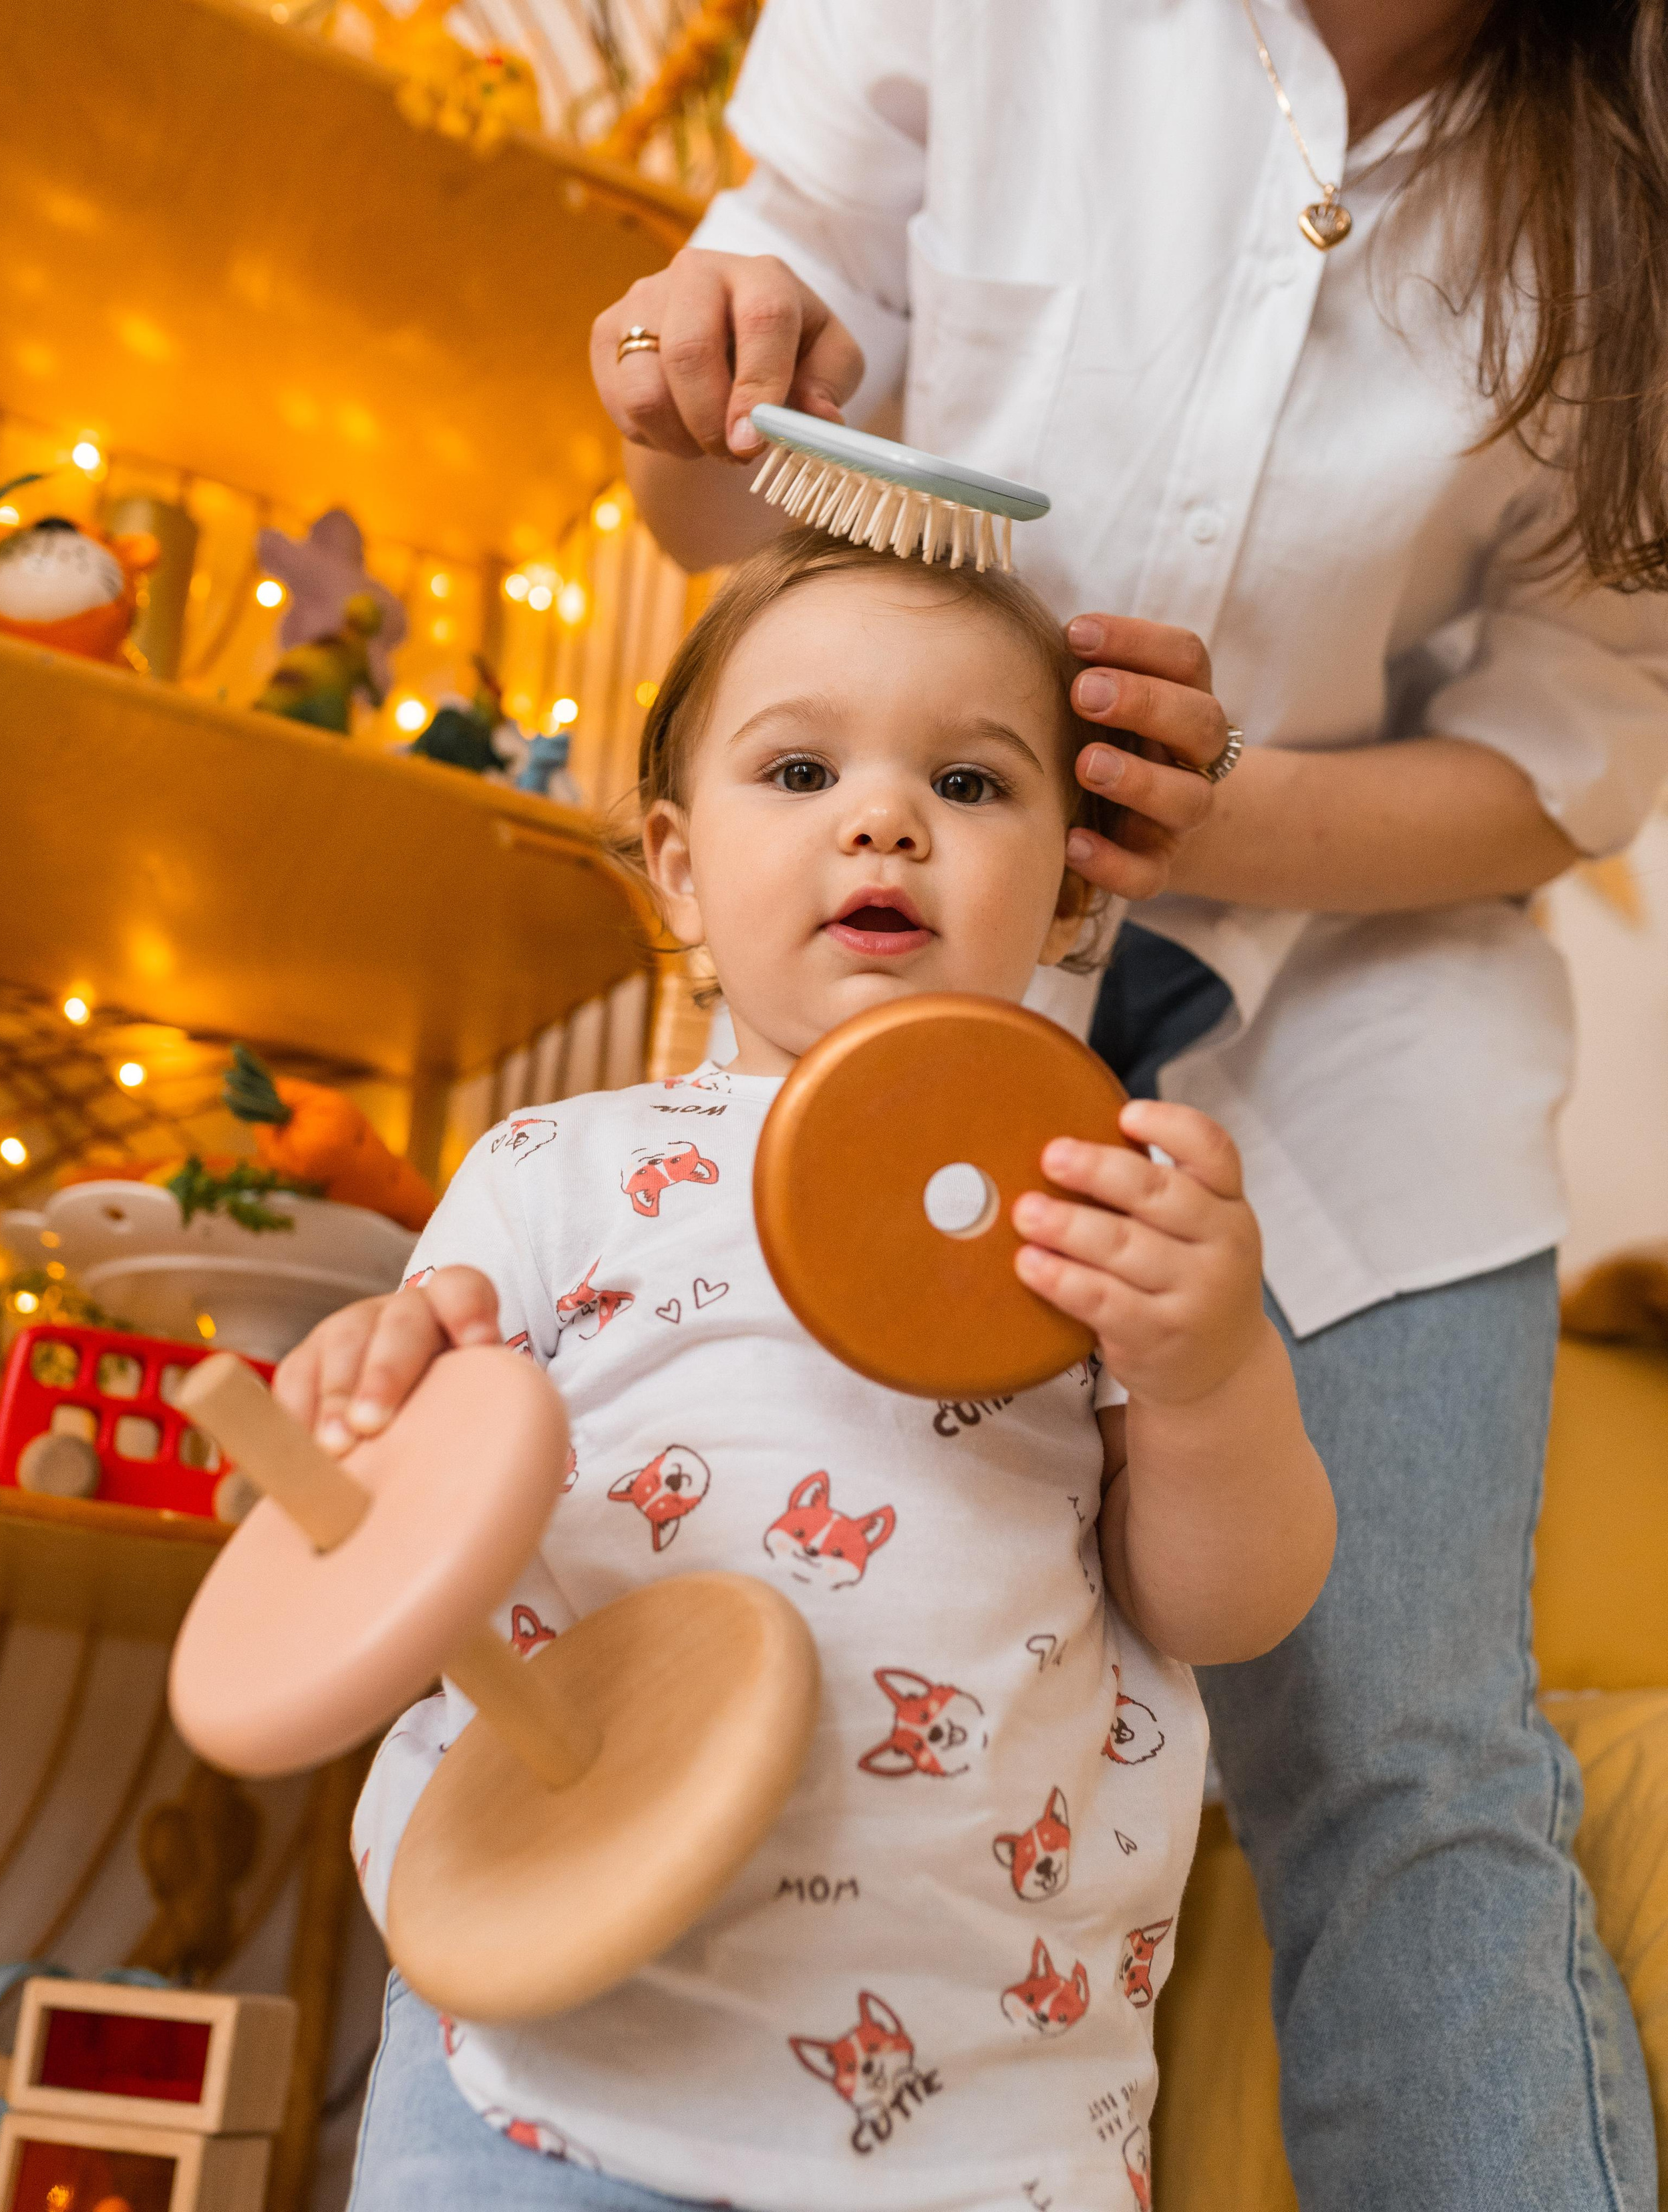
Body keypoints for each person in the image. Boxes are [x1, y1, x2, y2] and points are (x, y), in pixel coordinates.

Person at [585, 5, 1668, 2207]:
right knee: (772, 1673)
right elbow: (712, 487)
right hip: (918, 992)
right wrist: (679, 384)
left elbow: (1581, 742)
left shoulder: (1633, 152)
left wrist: (1231, 816)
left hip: (1363, 1028)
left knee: (1408, 1770)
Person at [303, 531, 1335, 2211]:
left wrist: (1208, 1376)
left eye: (966, 783)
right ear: (678, 866)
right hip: (545, 2015)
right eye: (799, 771)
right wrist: (382, 1402)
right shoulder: (551, 1171)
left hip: (976, 2092)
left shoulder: (1101, 1199)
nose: (883, 821)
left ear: (1070, 892)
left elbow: (1224, 1608)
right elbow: (393, 1550)